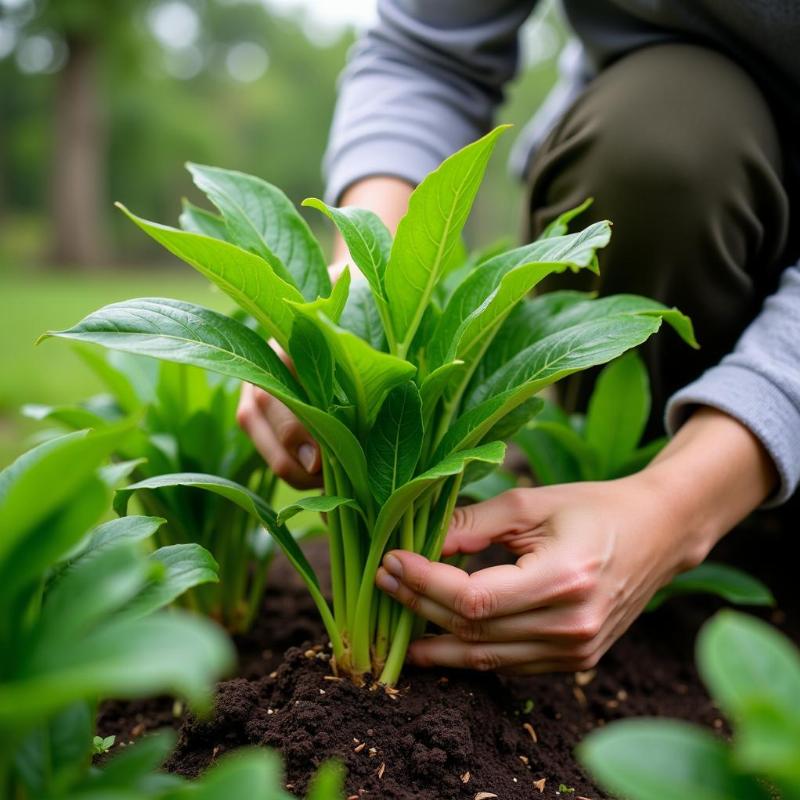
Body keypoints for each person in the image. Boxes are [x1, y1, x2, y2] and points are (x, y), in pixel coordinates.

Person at [237, 1, 800, 675]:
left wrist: (677, 508)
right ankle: (627, 501)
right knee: (663, 135)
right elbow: (427, 53)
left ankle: (722, 509)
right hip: (681, 149)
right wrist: (354, 290)